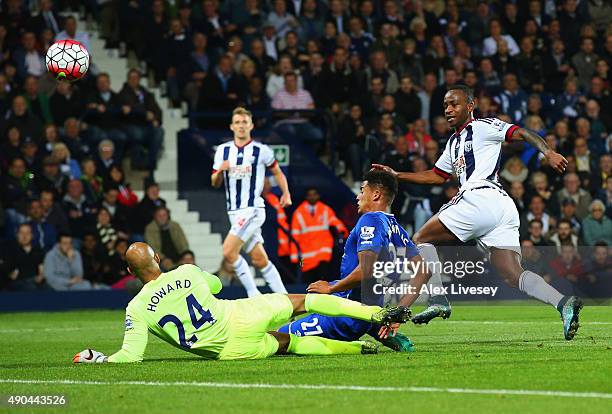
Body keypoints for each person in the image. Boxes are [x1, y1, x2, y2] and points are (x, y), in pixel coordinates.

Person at [373, 85, 583, 340]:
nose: (448, 110)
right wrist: (397, 175)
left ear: (470, 106)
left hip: (479, 196)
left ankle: (438, 298)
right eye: (445, 106)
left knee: (421, 239)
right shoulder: (453, 142)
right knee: (510, 273)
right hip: (502, 207)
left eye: (454, 104)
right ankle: (563, 303)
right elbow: (438, 175)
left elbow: (524, 133)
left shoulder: (485, 126)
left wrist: (548, 152)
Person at [72, 242, 410, 363]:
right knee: (304, 302)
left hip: (228, 350)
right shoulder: (187, 271)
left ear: (130, 271)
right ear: (158, 257)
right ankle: (377, 313)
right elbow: (217, 283)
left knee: (289, 344)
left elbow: (130, 356)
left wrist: (97, 358)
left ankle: (359, 351)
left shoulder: (136, 308)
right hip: (241, 314)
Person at [281, 170, 424, 352]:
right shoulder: (396, 228)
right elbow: (423, 271)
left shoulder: (370, 220)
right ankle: (374, 329)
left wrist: (332, 288)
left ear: (376, 194)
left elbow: (366, 269)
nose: (358, 196)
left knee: (278, 337)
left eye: (362, 190)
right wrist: (398, 313)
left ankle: (356, 347)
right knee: (293, 303)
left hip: (345, 315)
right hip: (367, 310)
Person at [211, 107, 291, 297]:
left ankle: (253, 294)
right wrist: (220, 171)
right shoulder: (223, 151)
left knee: (229, 251)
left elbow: (277, 172)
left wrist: (286, 193)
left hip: (252, 209)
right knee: (259, 259)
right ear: (232, 126)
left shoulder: (261, 150)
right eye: (237, 122)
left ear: (251, 125)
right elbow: (214, 182)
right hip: (234, 212)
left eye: (244, 122)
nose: (241, 126)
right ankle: (286, 298)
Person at [290, 187, 348, 283]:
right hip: (306, 255)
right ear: (306, 197)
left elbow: (335, 222)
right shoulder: (299, 213)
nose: (312, 197)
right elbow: (295, 235)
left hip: (323, 251)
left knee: (323, 279)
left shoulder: (325, 210)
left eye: (314, 194)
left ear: (318, 196)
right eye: (310, 195)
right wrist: (294, 257)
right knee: (308, 282)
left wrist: (342, 232)